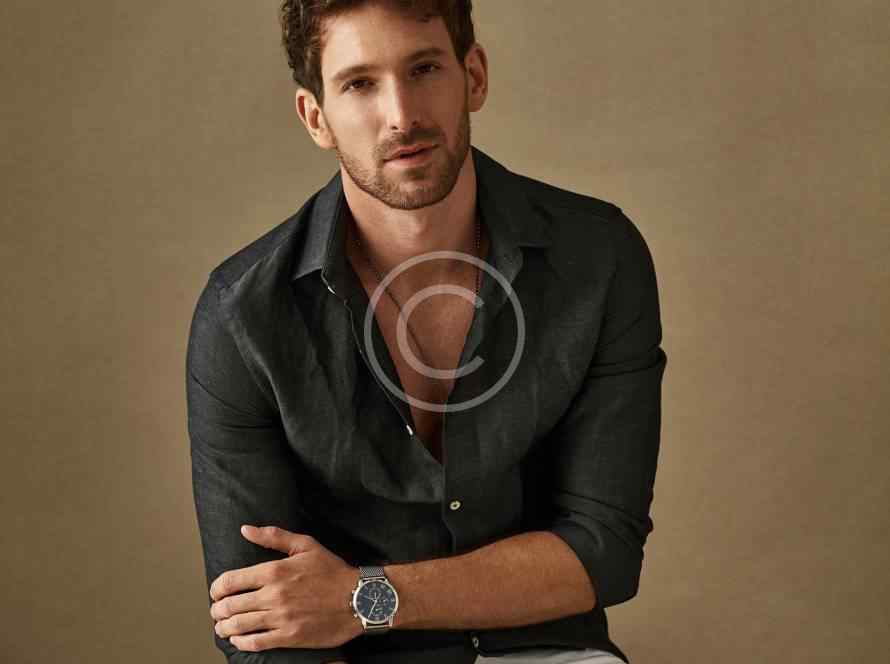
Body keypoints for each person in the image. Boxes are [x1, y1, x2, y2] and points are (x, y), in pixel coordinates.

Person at [186, 1, 667, 663]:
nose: (401, 115)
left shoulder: (599, 257)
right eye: (360, 83)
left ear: (474, 76)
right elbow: (259, 620)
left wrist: (361, 598)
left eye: (424, 69)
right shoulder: (243, 315)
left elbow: (604, 547)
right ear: (315, 117)